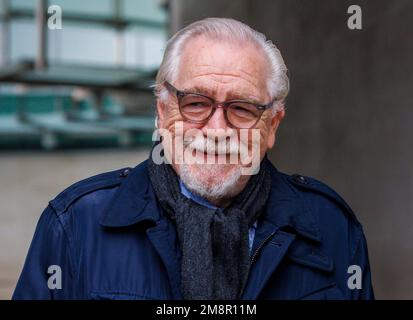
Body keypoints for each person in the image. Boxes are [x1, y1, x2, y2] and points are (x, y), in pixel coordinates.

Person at [13, 17, 374, 300]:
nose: (217, 130)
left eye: (242, 108)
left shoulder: (331, 227)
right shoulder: (74, 224)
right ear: (161, 110)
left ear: (272, 125)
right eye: (196, 103)